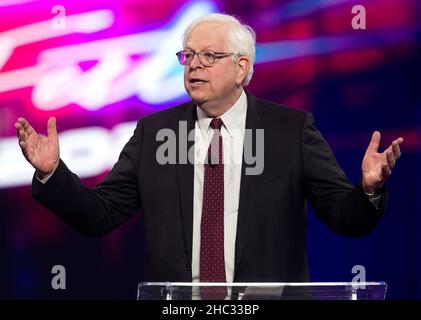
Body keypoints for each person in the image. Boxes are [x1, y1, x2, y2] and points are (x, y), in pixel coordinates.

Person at [15, 14, 403, 288]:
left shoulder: (291, 130)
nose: (193, 65)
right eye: (187, 56)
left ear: (241, 67)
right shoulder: (156, 132)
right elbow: (99, 215)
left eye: (209, 56)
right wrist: (53, 173)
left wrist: (368, 189)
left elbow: (346, 218)